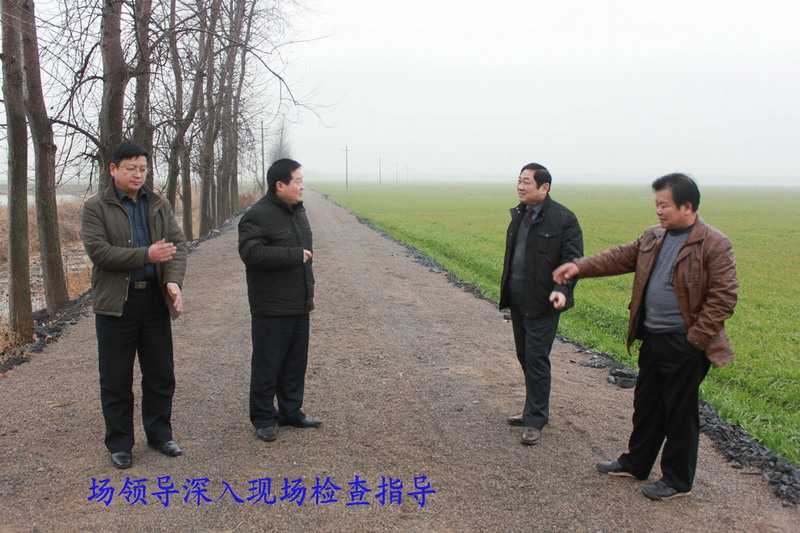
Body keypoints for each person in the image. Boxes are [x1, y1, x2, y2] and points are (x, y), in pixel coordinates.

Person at [553, 173, 738, 500]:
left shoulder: (713, 243)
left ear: (687, 206)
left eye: (664, 205)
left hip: (686, 344)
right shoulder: (654, 236)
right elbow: (618, 257)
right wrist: (579, 267)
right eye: (657, 204)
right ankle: (636, 463)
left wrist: (694, 339)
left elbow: (724, 298)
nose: (659, 211)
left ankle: (677, 480)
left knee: (679, 413)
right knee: (647, 404)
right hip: (652, 337)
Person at [81, 140, 187, 469]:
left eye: (143, 168)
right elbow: (100, 253)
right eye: (131, 168)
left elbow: (177, 246)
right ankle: (120, 443)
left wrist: (172, 280)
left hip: (154, 301)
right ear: (113, 169)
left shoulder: (158, 204)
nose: (138, 174)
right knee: (116, 379)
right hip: (116, 305)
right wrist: (146, 255)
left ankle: (160, 434)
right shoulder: (96, 207)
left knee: (160, 374)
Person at [499, 163, 583, 445]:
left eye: (527, 182)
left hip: (543, 301)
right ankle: (530, 410)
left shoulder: (563, 219)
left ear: (544, 187)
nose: (520, 186)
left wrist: (561, 289)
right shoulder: (519, 215)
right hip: (518, 298)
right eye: (519, 180)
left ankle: (536, 419)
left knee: (536, 359)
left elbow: (572, 260)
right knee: (525, 356)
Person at [238, 158, 321, 442]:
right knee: (268, 364)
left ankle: (290, 411)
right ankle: (263, 418)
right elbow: (251, 254)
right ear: (280, 185)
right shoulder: (257, 215)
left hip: (299, 301)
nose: (302, 186)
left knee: (295, 363)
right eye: (297, 181)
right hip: (271, 305)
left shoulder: (297, 211)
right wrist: (292, 255)